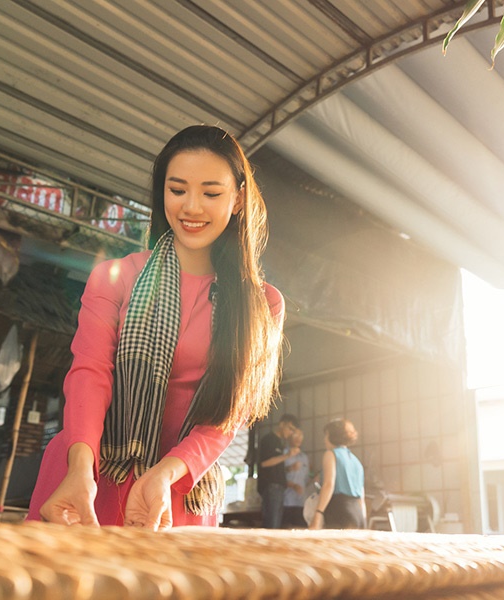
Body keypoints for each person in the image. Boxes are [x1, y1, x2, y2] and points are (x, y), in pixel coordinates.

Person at [26, 125, 284, 530]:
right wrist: (80, 468)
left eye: (211, 193)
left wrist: (166, 473)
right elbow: (90, 372)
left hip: (177, 490)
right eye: (177, 189)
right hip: (88, 478)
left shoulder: (263, 304)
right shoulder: (115, 276)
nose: (191, 207)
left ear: (237, 200)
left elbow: (230, 415)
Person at [309, 419, 365, 530]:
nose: (324, 439)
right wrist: (364, 521)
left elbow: (328, 485)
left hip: (339, 510)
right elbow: (361, 497)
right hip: (357, 513)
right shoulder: (356, 461)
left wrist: (318, 513)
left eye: (326, 435)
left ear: (332, 436)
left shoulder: (331, 454)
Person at [257, 413, 299, 528]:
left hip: (278, 488)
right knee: (272, 525)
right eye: (290, 428)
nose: (291, 433)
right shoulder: (269, 440)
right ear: (281, 424)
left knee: (275, 523)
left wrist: (289, 468)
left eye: (293, 431)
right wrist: (287, 455)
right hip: (271, 487)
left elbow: (274, 466)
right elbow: (264, 463)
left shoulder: (280, 442)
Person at [282, 428, 310, 528]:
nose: (299, 438)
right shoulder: (283, 454)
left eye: (301, 435)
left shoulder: (304, 457)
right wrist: (293, 485)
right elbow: (276, 476)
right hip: (287, 501)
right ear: (289, 436)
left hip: (301, 502)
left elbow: (306, 479)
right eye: (296, 435)